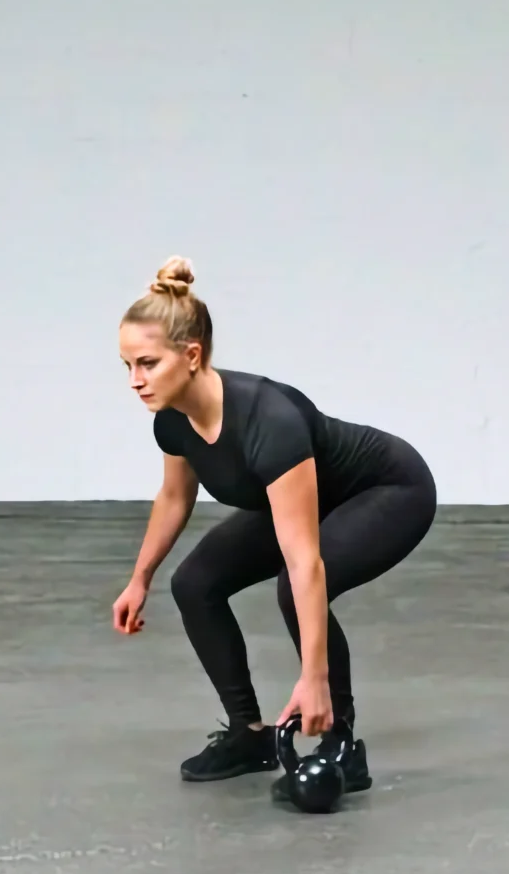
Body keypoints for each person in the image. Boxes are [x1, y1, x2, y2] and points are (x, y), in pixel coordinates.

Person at [112, 256, 437, 803]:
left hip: (385, 490)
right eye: (126, 366)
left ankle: (339, 744)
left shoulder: (269, 421)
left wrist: (313, 679)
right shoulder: (172, 417)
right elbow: (175, 495)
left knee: (296, 585)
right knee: (195, 584)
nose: (135, 381)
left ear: (191, 356)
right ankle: (250, 735)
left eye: (146, 363)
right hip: (312, 500)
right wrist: (140, 577)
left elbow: (306, 562)